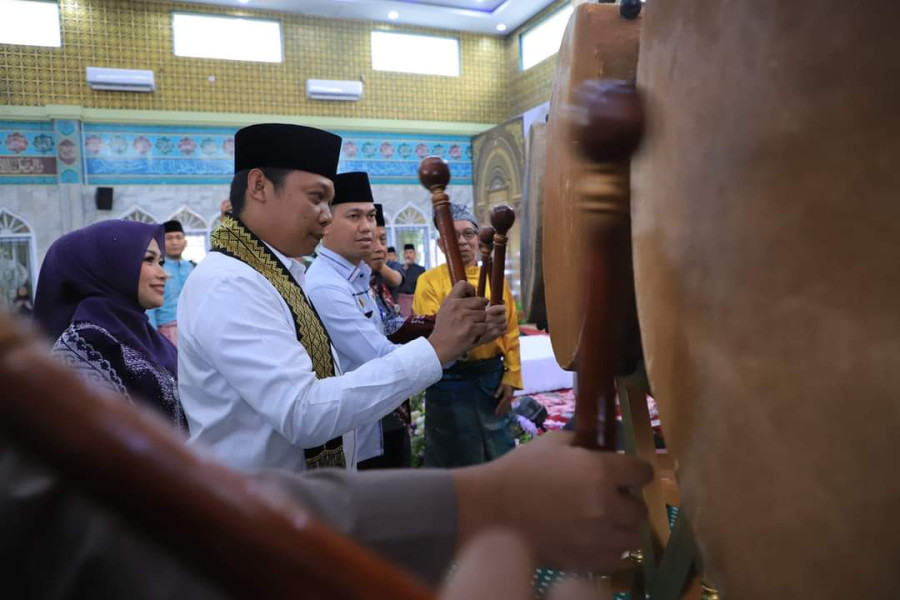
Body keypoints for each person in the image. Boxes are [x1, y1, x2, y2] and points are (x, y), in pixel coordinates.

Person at [176, 124, 507, 472]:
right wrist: (439, 347)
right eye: (317, 198)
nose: (325, 215)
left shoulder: (280, 273)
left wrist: (460, 336)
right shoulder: (230, 283)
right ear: (259, 186)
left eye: (330, 202)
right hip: (259, 510)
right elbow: (303, 413)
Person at [32, 220, 186, 429]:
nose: (163, 274)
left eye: (161, 262)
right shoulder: (85, 344)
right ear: (113, 266)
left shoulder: (149, 337)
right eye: (149, 260)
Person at [306, 174, 413, 469]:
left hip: (382, 416)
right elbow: (378, 354)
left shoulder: (357, 276)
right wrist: (448, 344)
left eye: (371, 216)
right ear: (325, 222)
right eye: (354, 216)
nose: (367, 227)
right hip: (360, 432)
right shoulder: (326, 285)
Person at [413, 203, 522, 467]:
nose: (462, 241)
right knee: (453, 456)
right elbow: (433, 334)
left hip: (491, 378)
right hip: (448, 380)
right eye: (454, 236)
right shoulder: (428, 282)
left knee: (499, 454)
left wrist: (511, 375)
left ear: (478, 238)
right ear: (441, 244)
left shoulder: (496, 280)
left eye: (468, 234)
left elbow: (510, 330)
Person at [146, 220, 195, 347]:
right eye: (169, 238)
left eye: (178, 237)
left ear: (185, 242)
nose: (174, 242)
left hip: (193, 329)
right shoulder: (156, 268)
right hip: (166, 331)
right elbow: (149, 307)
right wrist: (152, 336)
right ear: (161, 242)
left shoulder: (190, 267)